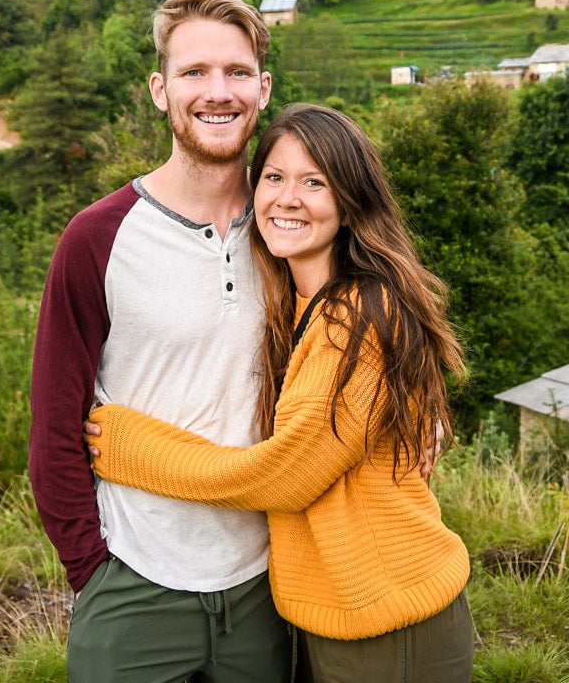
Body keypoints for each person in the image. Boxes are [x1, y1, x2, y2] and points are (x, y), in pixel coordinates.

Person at [86, 102, 474, 682]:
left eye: (314, 182)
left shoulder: (360, 315)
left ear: (349, 203)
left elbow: (285, 477)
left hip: (390, 616)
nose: (287, 198)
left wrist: (132, 448)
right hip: (332, 612)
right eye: (274, 177)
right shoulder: (295, 305)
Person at [28, 0, 291, 682]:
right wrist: (93, 569)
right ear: (159, 89)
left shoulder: (290, 230)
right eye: (194, 72)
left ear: (263, 89)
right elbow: (55, 425)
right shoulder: (97, 238)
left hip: (267, 586)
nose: (218, 92)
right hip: (135, 583)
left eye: (237, 72)